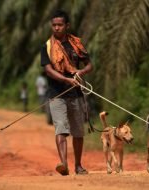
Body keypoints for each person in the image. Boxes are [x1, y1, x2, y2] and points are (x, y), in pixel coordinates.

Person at [40, 10, 93, 175]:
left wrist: (80, 73)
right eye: (54, 25)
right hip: (56, 95)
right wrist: (66, 80)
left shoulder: (77, 44)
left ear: (67, 26)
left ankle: (78, 165)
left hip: (76, 94)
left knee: (78, 132)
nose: (56, 28)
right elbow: (48, 70)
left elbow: (89, 65)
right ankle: (63, 163)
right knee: (61, 129)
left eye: (60, 25)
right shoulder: (47, 47)